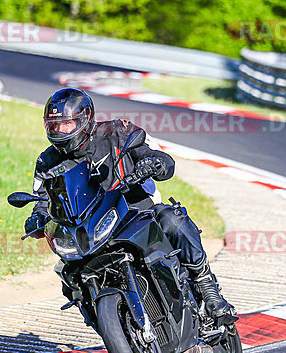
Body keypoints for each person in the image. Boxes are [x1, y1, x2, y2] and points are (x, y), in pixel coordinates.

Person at [25, 87, 236, 322]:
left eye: (66, 124)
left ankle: (207, 287)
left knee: (170, 218)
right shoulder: (47, 161)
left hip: (136, 212)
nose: (60, 131)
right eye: (54, 125)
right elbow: (42, 199)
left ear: (85, 119)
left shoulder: (118, 131)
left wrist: (153, 163)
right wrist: (37, 218)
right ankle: (103, 320)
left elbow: (158, 157)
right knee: (69, 272)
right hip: (90, 231)